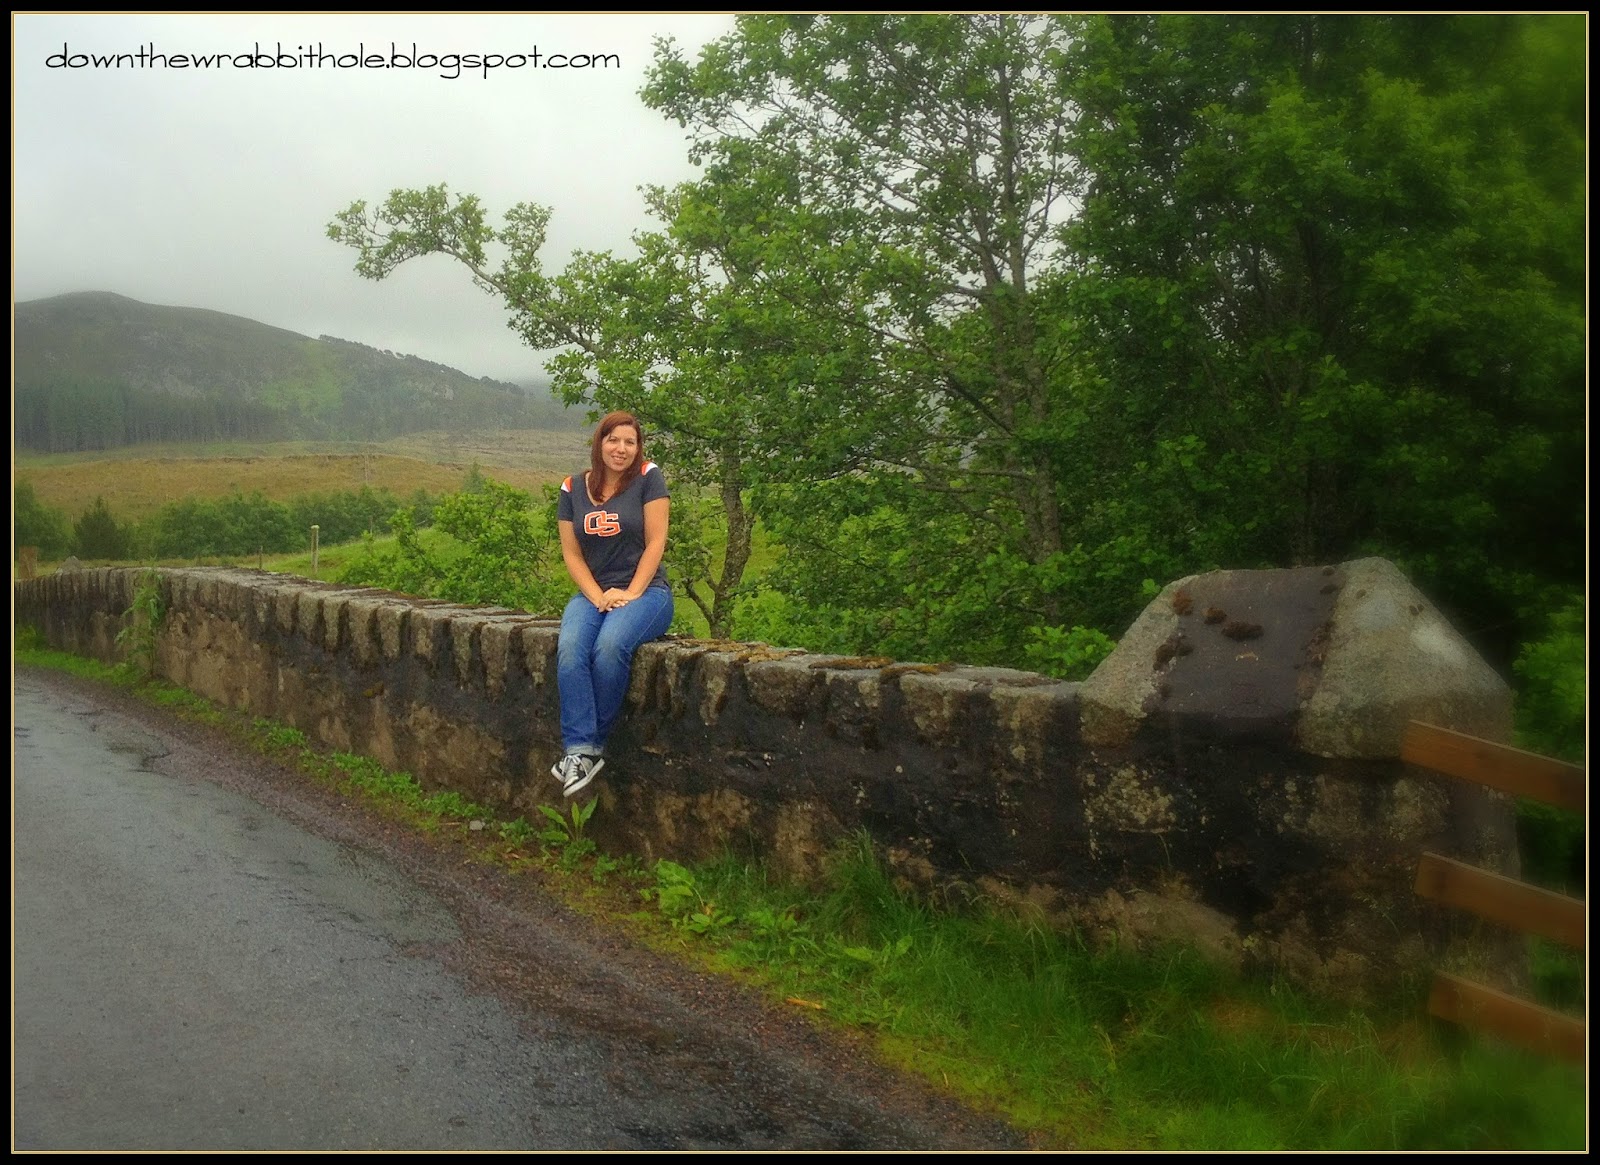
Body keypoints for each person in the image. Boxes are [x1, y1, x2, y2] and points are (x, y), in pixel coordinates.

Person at [552, 411, 674, 797]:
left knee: (609, 647)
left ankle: (587, 749)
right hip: (594, 592)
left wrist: (632, 592)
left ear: (638, 448)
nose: (621, 449)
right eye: (613, 440)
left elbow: (656, 541)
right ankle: (580, 750)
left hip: (648, 593)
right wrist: (597, 595)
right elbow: (572, 554)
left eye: (630, 442)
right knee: (570, 648)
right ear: (599, 442)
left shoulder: (648, 478)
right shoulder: (572, 488)